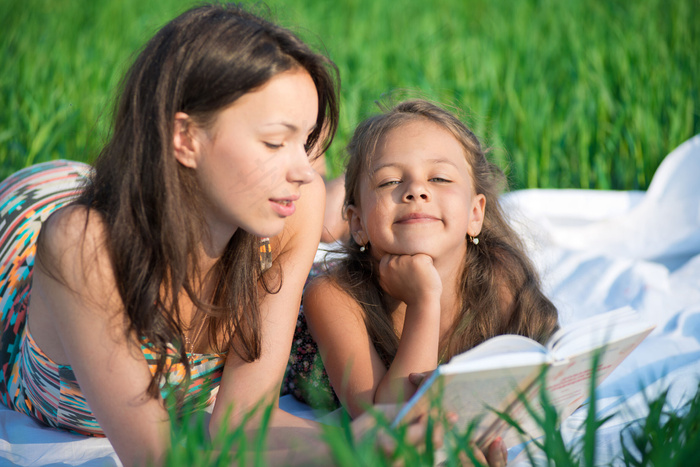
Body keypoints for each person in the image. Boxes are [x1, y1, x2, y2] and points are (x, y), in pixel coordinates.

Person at [0, 5, 497, 466]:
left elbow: (241, 425)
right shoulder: (85, 249)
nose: (302, 171)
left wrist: (413, 444)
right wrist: (363, 447)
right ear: (185, 137)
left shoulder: (291, 218)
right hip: (25, 228)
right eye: (275, 142)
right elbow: (155, 455)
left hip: (196, 207)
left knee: (316, 208)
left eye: (305, 144)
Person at [285, 99, 559, 419]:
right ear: (357, 225)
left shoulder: (497, 277)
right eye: (390, 181)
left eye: (439, 178)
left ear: (475, 213)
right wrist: (424, 302)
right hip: (333, 272)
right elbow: (386, 419)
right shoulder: (332, 295)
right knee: (312, 217)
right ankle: (324, 182)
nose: (416, 190)